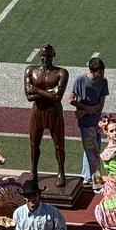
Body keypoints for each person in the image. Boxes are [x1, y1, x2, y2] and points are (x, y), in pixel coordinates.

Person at [23, 44, 69, 186]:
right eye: (43, 56)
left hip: (54, 112)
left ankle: (61, 172)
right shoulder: (30, 70)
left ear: (53, 55)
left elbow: (57, 97)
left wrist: (37, 89)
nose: (45, 59)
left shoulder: (61, 72)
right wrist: (50, 92)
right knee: (34, 144)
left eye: (48, 56)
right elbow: (29, 96)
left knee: (59, 144)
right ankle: (33, 170)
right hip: (38, 111)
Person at [70, 57, 109, 189]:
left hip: (97, 121)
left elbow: (101, 104)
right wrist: (87, 110)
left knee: (93, 148)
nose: (102, 75)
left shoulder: (103, 82)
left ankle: (86, 176)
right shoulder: (80, 80)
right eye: (100, 73)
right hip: (86, 123)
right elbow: (70, 99)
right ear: (92, 71)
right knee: (93, 151)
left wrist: (85, 111)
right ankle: (96, 180)